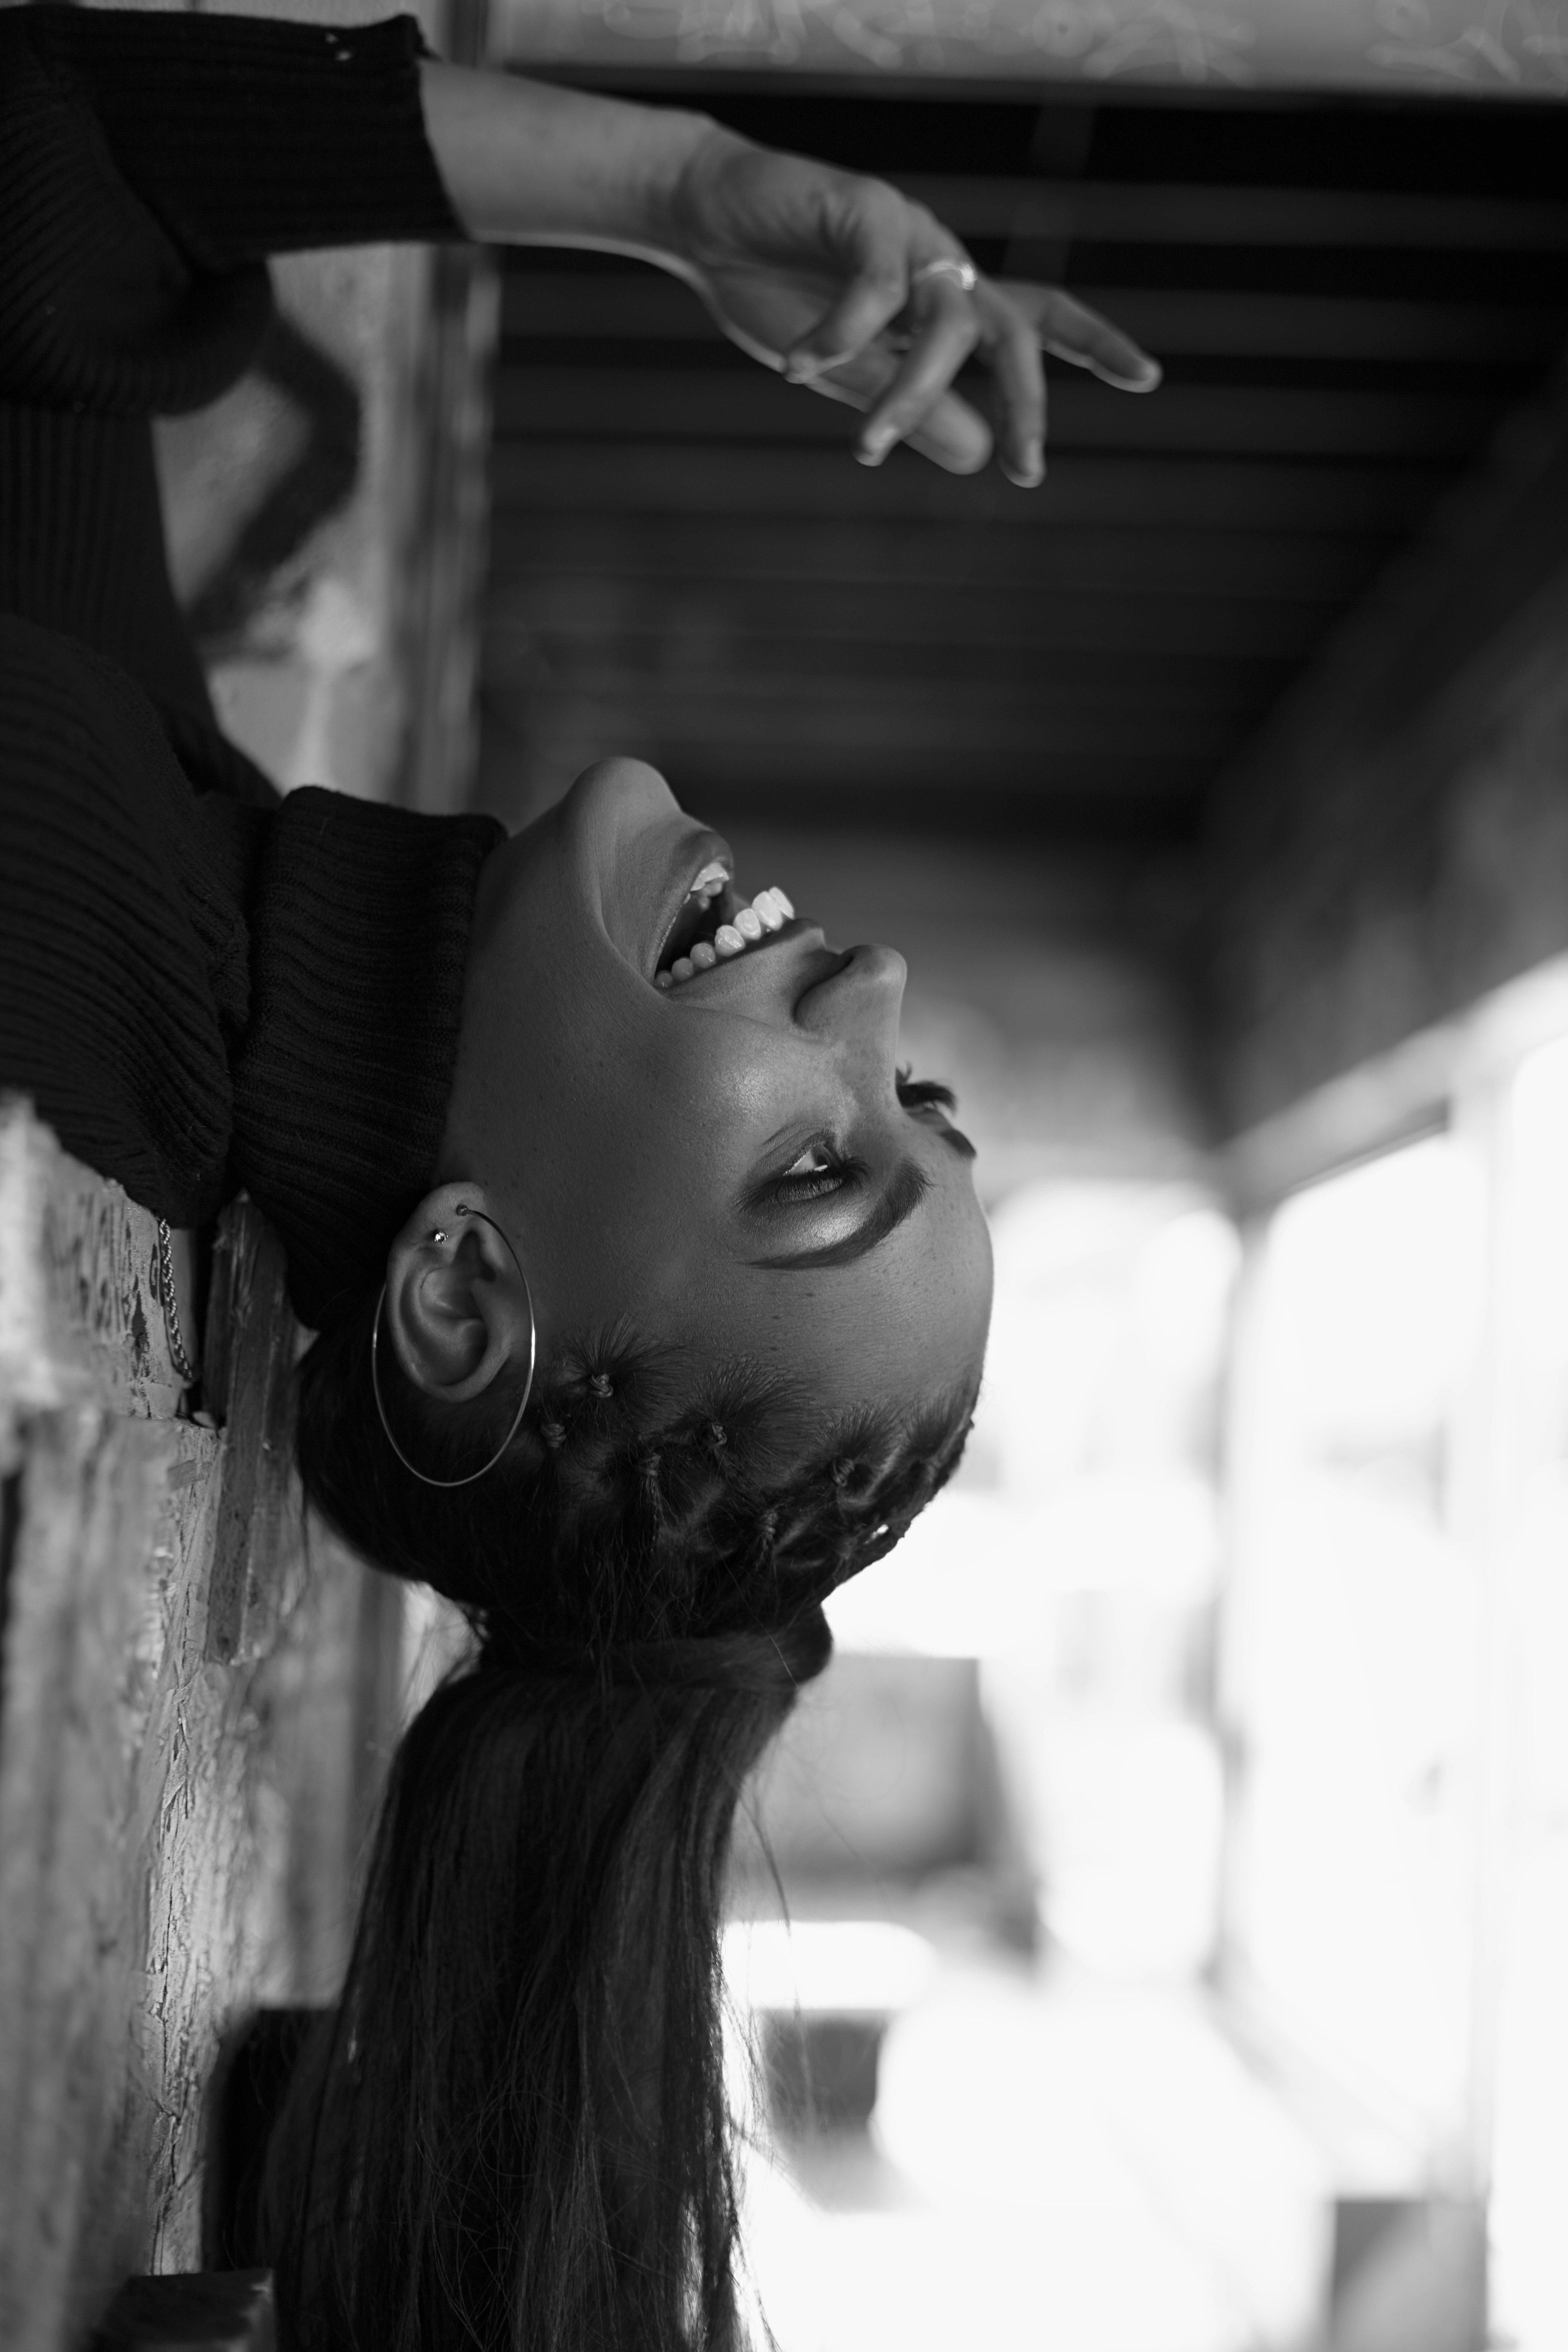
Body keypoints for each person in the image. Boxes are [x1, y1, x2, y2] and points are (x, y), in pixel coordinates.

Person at [0, 10, 1159, 2345]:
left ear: (455, 1302)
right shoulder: (186, 887)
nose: (883, 984)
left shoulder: (57, 889)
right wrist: (677, 192)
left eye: (818, 1172)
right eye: (917, 1115)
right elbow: (55, 161)